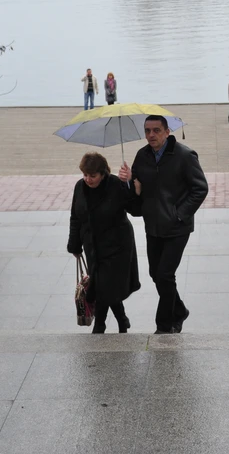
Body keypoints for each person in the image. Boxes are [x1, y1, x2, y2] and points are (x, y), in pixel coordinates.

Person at [120, 116, 208, 334]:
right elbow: (136, 203)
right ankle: (179, 311)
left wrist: (180, 214)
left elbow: (200, 188)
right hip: (153, 227)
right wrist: (129, 182)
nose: (151, 135)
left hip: (177, 228)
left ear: (167, 132)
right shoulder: (141, 156)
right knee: (155, 274)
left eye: (156, 130)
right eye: (147, 130)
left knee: (166, 275)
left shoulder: (185, 156)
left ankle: (164, 325)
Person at [66, 153, 141, 333]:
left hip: (117, 245)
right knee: (105, 285)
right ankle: (122, 319)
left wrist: (131, 185)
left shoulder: (115, 185)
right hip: (92, 245)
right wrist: (74, 245)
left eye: (92, 176)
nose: (88, 179)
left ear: (103, 173)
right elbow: (75, 217)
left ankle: (100, 324)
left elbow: (135, 209)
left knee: (104, 285)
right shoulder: (80, 187)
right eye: (85, 175)